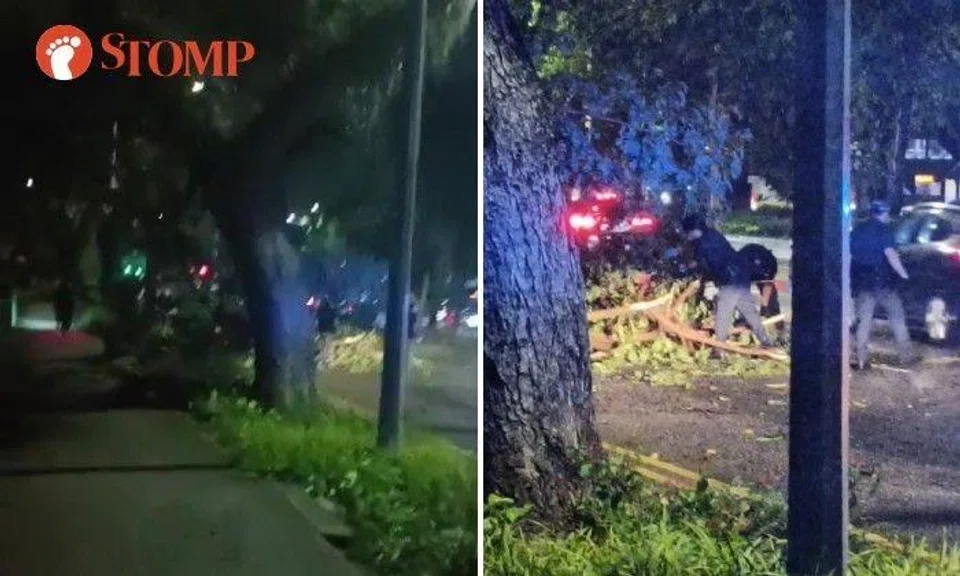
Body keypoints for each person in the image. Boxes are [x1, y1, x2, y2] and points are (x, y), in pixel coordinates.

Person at [681, 214, 774, 347]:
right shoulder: (713, 234)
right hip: (742, 276)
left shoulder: (703, 243)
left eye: (688, 232)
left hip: (730, 280)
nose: (687, 235)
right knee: (749, 312)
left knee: (723, 313)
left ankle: (719, 349)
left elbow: (701, 264)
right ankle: (766, 342)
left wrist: (687, 268)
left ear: (695, 230)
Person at [850, 200, 915, 370]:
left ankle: (861, 359)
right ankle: (906, 356)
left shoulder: (858, 230)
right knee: (897, 318)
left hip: (863, 283)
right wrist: (904, 275)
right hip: (883, 284)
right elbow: (891, 255)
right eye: (886, 213)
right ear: (883, 213)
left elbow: (850, 254)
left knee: (863, 322)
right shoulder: (884, 231)